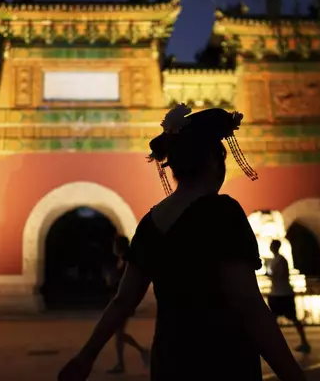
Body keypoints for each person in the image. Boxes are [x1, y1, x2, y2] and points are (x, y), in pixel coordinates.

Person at [58, 104, 306, 381]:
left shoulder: (150, 223)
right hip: (222, 361)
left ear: (174, 167)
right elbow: (248, 304)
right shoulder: (221, 212)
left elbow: (123, 300)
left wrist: (85, 357)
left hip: (170, 362)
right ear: (214, 160)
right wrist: (293, 375)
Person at [105, 235, 150, 374]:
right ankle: (123, 362)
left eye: (114, 245)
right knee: (119, 334)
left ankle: (141, 352)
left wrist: (111, 279)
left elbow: (123, 282)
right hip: (121, 301)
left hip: (123, 302)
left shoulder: (126, 262)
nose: (113, 248)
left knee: (118, 333)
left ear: (118, 247)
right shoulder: (123, 261)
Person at [267, 240, 311, 353]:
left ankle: (302, 342)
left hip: (282, 293)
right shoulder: (276, 260)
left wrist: (269, 274)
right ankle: (278, 343)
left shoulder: (280, 260)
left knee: (287, 318)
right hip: (279, 292)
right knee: (277, 319)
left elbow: (278, 274)